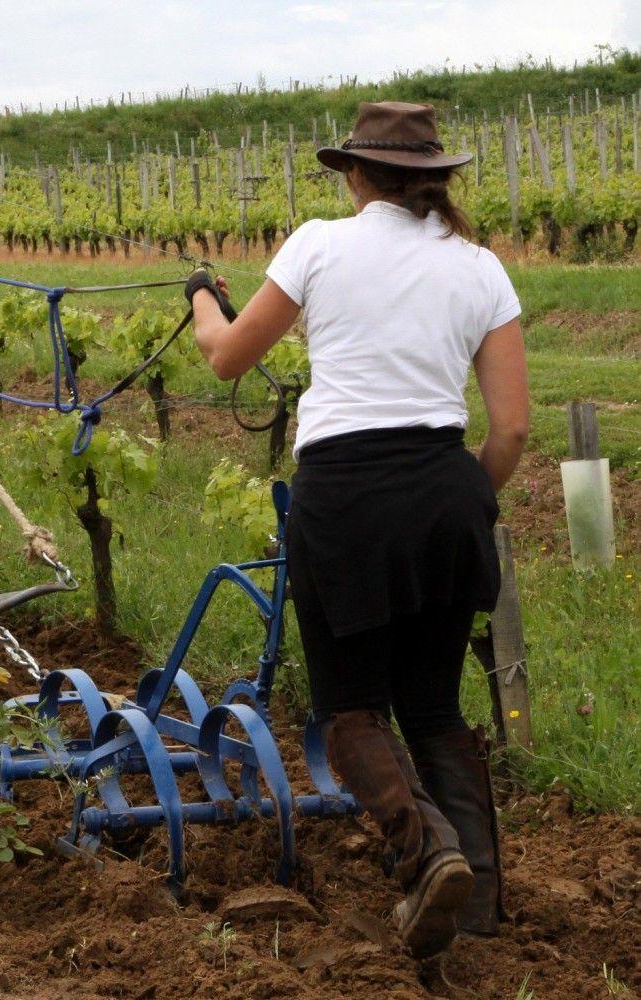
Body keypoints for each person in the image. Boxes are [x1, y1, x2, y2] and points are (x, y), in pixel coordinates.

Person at [184, 101, 528, 959]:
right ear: (434, 180)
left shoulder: (316, 246)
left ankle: (427, 854)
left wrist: (199, 298)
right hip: (448, 492)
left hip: (345, 499)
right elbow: (512, 429)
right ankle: (479, 896)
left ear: (357, 174)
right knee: (435, 705)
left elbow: (228, 357)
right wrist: (463, 505)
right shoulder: (481, 267)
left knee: (349, 708)